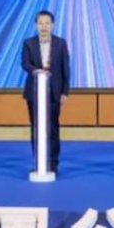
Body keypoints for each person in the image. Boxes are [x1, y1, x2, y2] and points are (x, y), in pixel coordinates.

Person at [21, 10, 70, 173]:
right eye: (40, 23)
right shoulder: (28, 43)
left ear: (53, 25)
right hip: (34, 92)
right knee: (36, 127)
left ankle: (53, 163)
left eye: (47, 23)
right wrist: (36, 71)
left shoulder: (60, 43)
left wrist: (64, 92)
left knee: (53, 127)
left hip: (54, 93)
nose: (44, 26)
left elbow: (65, 68)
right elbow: (25, 63)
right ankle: (39, 161)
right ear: (36, 25)